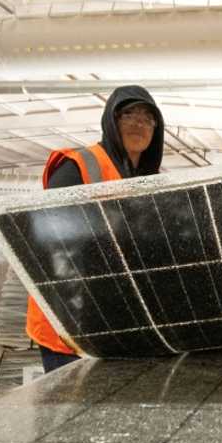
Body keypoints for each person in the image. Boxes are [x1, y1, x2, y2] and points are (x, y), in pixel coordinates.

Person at [26, 85, 165, 373]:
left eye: (147, 118)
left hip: (110, 321)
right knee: (71, 413)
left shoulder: (148, 182)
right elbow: (49, 236)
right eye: (129, 115)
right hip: (67, 320)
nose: (139, 123)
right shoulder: (81, 165)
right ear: (112, 121)